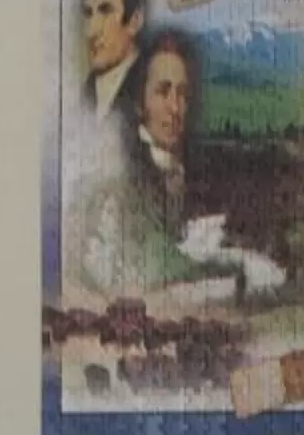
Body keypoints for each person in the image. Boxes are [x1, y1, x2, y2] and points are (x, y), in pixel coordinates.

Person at [78, 33, 208, 299]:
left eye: (182, 94)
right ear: (140, 103)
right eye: (163, 92)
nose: (175, 107)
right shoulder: (122, 178)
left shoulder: (192, 173)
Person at [77, 0, 148, 120]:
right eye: (88, 13)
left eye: (105, 11)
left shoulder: (148, 91)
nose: (91, 31)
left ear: (134, 21)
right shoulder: (80, 96)